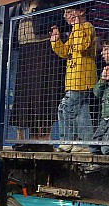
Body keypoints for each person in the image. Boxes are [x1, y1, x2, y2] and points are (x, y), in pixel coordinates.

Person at [10, 0, 65, 152]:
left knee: (45, 90)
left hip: (43, 46)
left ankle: (45, 138)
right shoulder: (19, 6)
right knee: (28, 94)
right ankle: (32, 138)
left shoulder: (47, 3)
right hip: (25, 49)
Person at [51, 6, 97, 153]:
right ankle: (85, 143)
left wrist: (76, 26)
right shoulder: (75, 32)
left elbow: (81, 46)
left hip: (82, 78)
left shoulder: (87, 27)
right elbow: (66, 52)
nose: (66, 16)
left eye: (70, 12)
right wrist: (56, 42)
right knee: (81, 112)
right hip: (73, 79)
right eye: (65, 13)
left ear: (81, 11)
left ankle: (67, 141)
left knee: (65, 107)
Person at [91, 40, 109, 155]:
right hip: (105, 118)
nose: (102, 53)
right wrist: (103, 80)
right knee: (93, 147)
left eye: (106, 49)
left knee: (105, 149)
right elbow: (96, 93)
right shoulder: (106, 70)